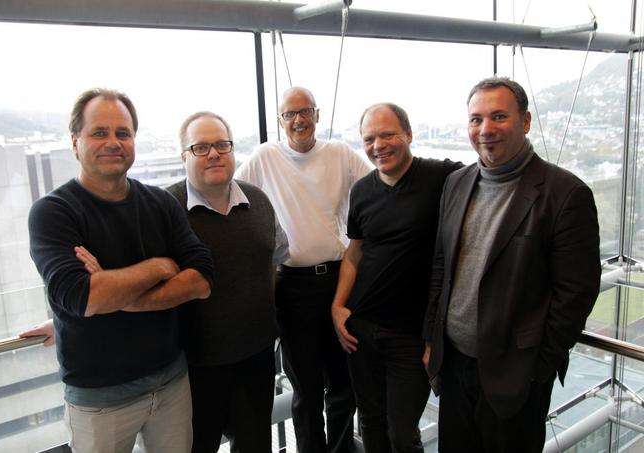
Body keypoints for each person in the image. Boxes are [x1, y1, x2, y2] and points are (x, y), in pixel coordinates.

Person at [26, 88, 213, 453]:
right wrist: (160, 266)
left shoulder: (159, 203)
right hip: (99, 400)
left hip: (171, 383)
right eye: (100, 132)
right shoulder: (53, 212)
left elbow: (203, 279)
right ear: (75, 142)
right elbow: (84, 298)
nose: (113, 142)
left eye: (122, 133)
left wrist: (117, 292)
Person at [422, 77, 601, 452]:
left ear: (525, 121)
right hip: (454, 365)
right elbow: (441, 266)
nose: (485, 129)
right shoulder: (456, 183)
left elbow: (576, 294)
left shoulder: (565, 194)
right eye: (476, 119)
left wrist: (538, 368)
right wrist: (432, 340)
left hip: (516, 375)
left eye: (499, 116)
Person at [235, 86, 371, 453]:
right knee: (306, 389)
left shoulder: (340, 153)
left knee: (344, 383)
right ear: (280, 121)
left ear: (317, 114)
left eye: (305, 111)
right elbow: (232, 196)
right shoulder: (265, 157)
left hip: (340, 282)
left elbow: (377, 186)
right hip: (291, 288)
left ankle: (343, 448)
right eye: (289, 114)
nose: (298, 120)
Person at [331, 103, 461, 453]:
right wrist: (338, 306)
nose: (379, 145)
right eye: (369, 138)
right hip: (362, 329)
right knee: (370, 421)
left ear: (408, 134)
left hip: (412, 335)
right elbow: (354, 252)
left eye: (388, 134)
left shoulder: (442, 177)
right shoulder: (361, 191)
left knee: (402, 432)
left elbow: (492, 176)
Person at [167, 111, 289, 452]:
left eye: (222, 144)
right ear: (184, 156)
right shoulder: (166, 208)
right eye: (201, 146)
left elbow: (277, 258)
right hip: (193, 367)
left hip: (257, 356)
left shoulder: (259, 201)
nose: (214, 153)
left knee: (254, 446)